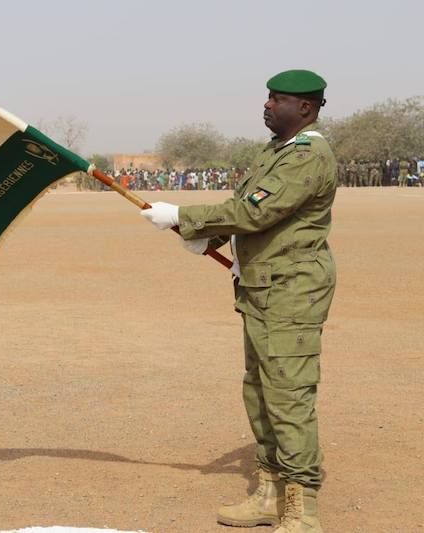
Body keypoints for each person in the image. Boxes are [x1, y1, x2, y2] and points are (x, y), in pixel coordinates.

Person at [141, 70, 336, 533]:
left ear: (305, 108)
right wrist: (219, 239)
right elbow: (247, 208)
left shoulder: (308, 156)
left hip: (292, 289)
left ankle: (301, 509)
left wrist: (183, 217)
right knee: (261, 389)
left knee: (288, 394)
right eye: (267, 97)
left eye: (278, 99)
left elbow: (257, 210)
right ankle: (270, 491)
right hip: (262, 283)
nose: (267, 105)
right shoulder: (275, 152)